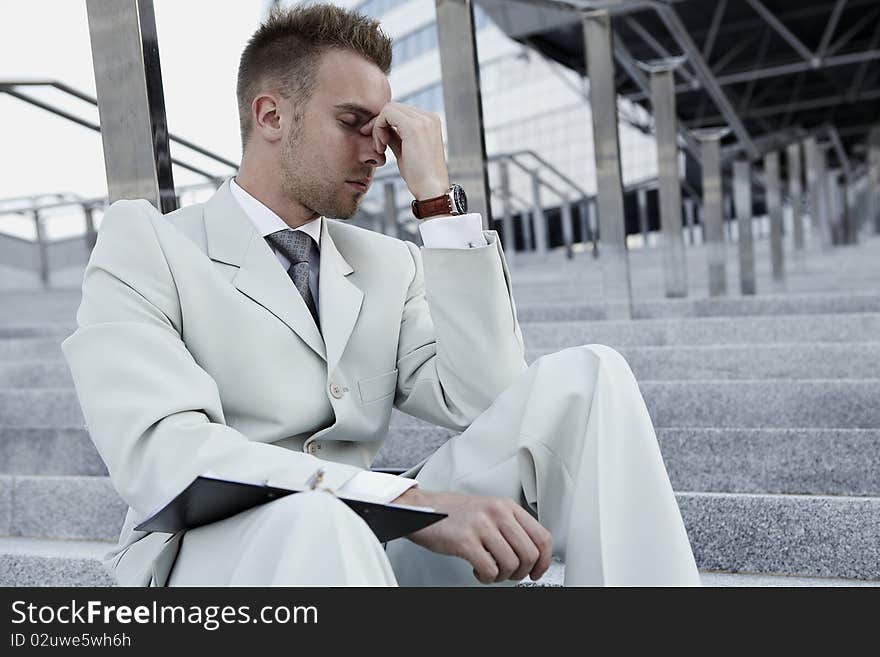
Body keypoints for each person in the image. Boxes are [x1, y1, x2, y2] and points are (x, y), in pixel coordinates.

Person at [62, 2, 700, 587]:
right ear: (271, 115)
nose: (377, 152)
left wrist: (438, 206)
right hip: (217, 556)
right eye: (353, 123)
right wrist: (403, 503)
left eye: (386, 130)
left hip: (370, 540)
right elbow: (165, 457)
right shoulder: (147, 241)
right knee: (318, 519)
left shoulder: (387, 264)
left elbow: (490, 398)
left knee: (590, 377)